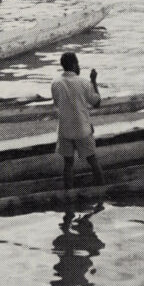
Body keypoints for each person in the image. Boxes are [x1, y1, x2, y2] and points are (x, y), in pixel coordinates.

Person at [51, 52, 104, 191]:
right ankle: (102, 191)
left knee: (68, 164)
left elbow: (58, 104)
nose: (79, 66)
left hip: (64, 129)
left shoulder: (55, 83)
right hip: (82, 129)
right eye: (78, 64)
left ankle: (69, 194)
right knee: (92, 160)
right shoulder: (84, 82)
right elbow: (97, 102)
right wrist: (94, 80)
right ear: (74, 65)